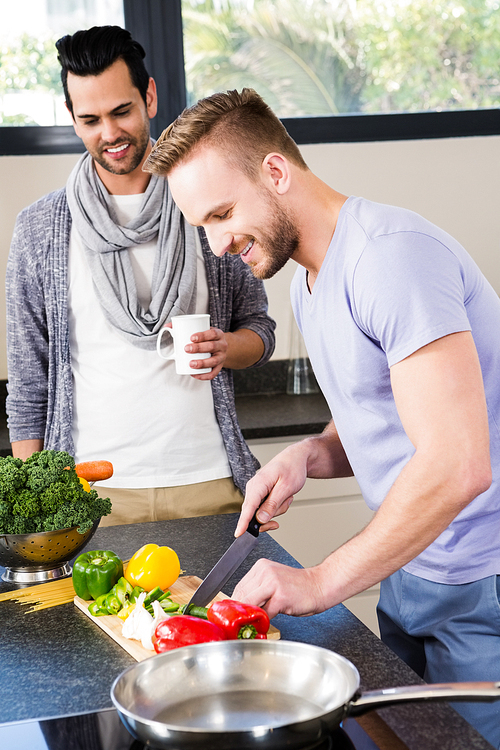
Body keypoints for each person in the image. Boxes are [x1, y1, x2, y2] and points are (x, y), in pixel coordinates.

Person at [143, 88, 500, 747]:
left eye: (222, 213)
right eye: (204, 227)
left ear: (275, 172)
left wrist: (317, 582)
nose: (218, 243)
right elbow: (390, 425)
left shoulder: (389, 257)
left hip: (485, 583)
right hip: (412, 566)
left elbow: (457, 463)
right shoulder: (310, 284)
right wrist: (308, 455)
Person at [5, 33, 275, 526]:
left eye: (122, 111)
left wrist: (226, 348)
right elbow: (28, 382)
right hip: (91, 494)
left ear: (149, 97)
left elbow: (260, 331)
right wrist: (40, 504)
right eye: (90, 120)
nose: (110, 133)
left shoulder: (205, 205)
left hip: (208, 482)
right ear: (72, 118)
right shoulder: (41, 228)